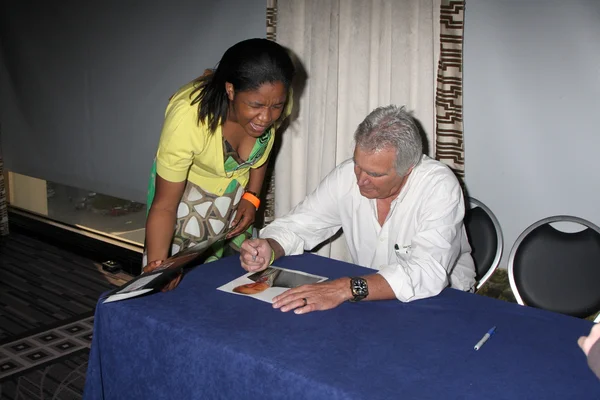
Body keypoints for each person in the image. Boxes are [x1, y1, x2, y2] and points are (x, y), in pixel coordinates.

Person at [239, 105, 476, 314]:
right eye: (357, 165)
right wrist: (269, 247)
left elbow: (426, 272)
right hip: (369, 297)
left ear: (409, 169)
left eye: (375, 174)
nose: (361, 180)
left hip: (443, 301)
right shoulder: (347, 176)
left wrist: (343, 288)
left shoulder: (439, 186)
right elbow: (301, 224)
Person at [143, 38, 295, 285]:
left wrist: (251, 196)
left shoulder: (276, 98)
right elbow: (164, 206)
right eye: (256, 105)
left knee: (232, 284)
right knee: (175, 289)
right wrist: (161, 269)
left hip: (237, 200)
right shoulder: (188, 119)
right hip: (185, 202)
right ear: (231, 90)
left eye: (276, 106)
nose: (267, 117)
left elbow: (263, 151)